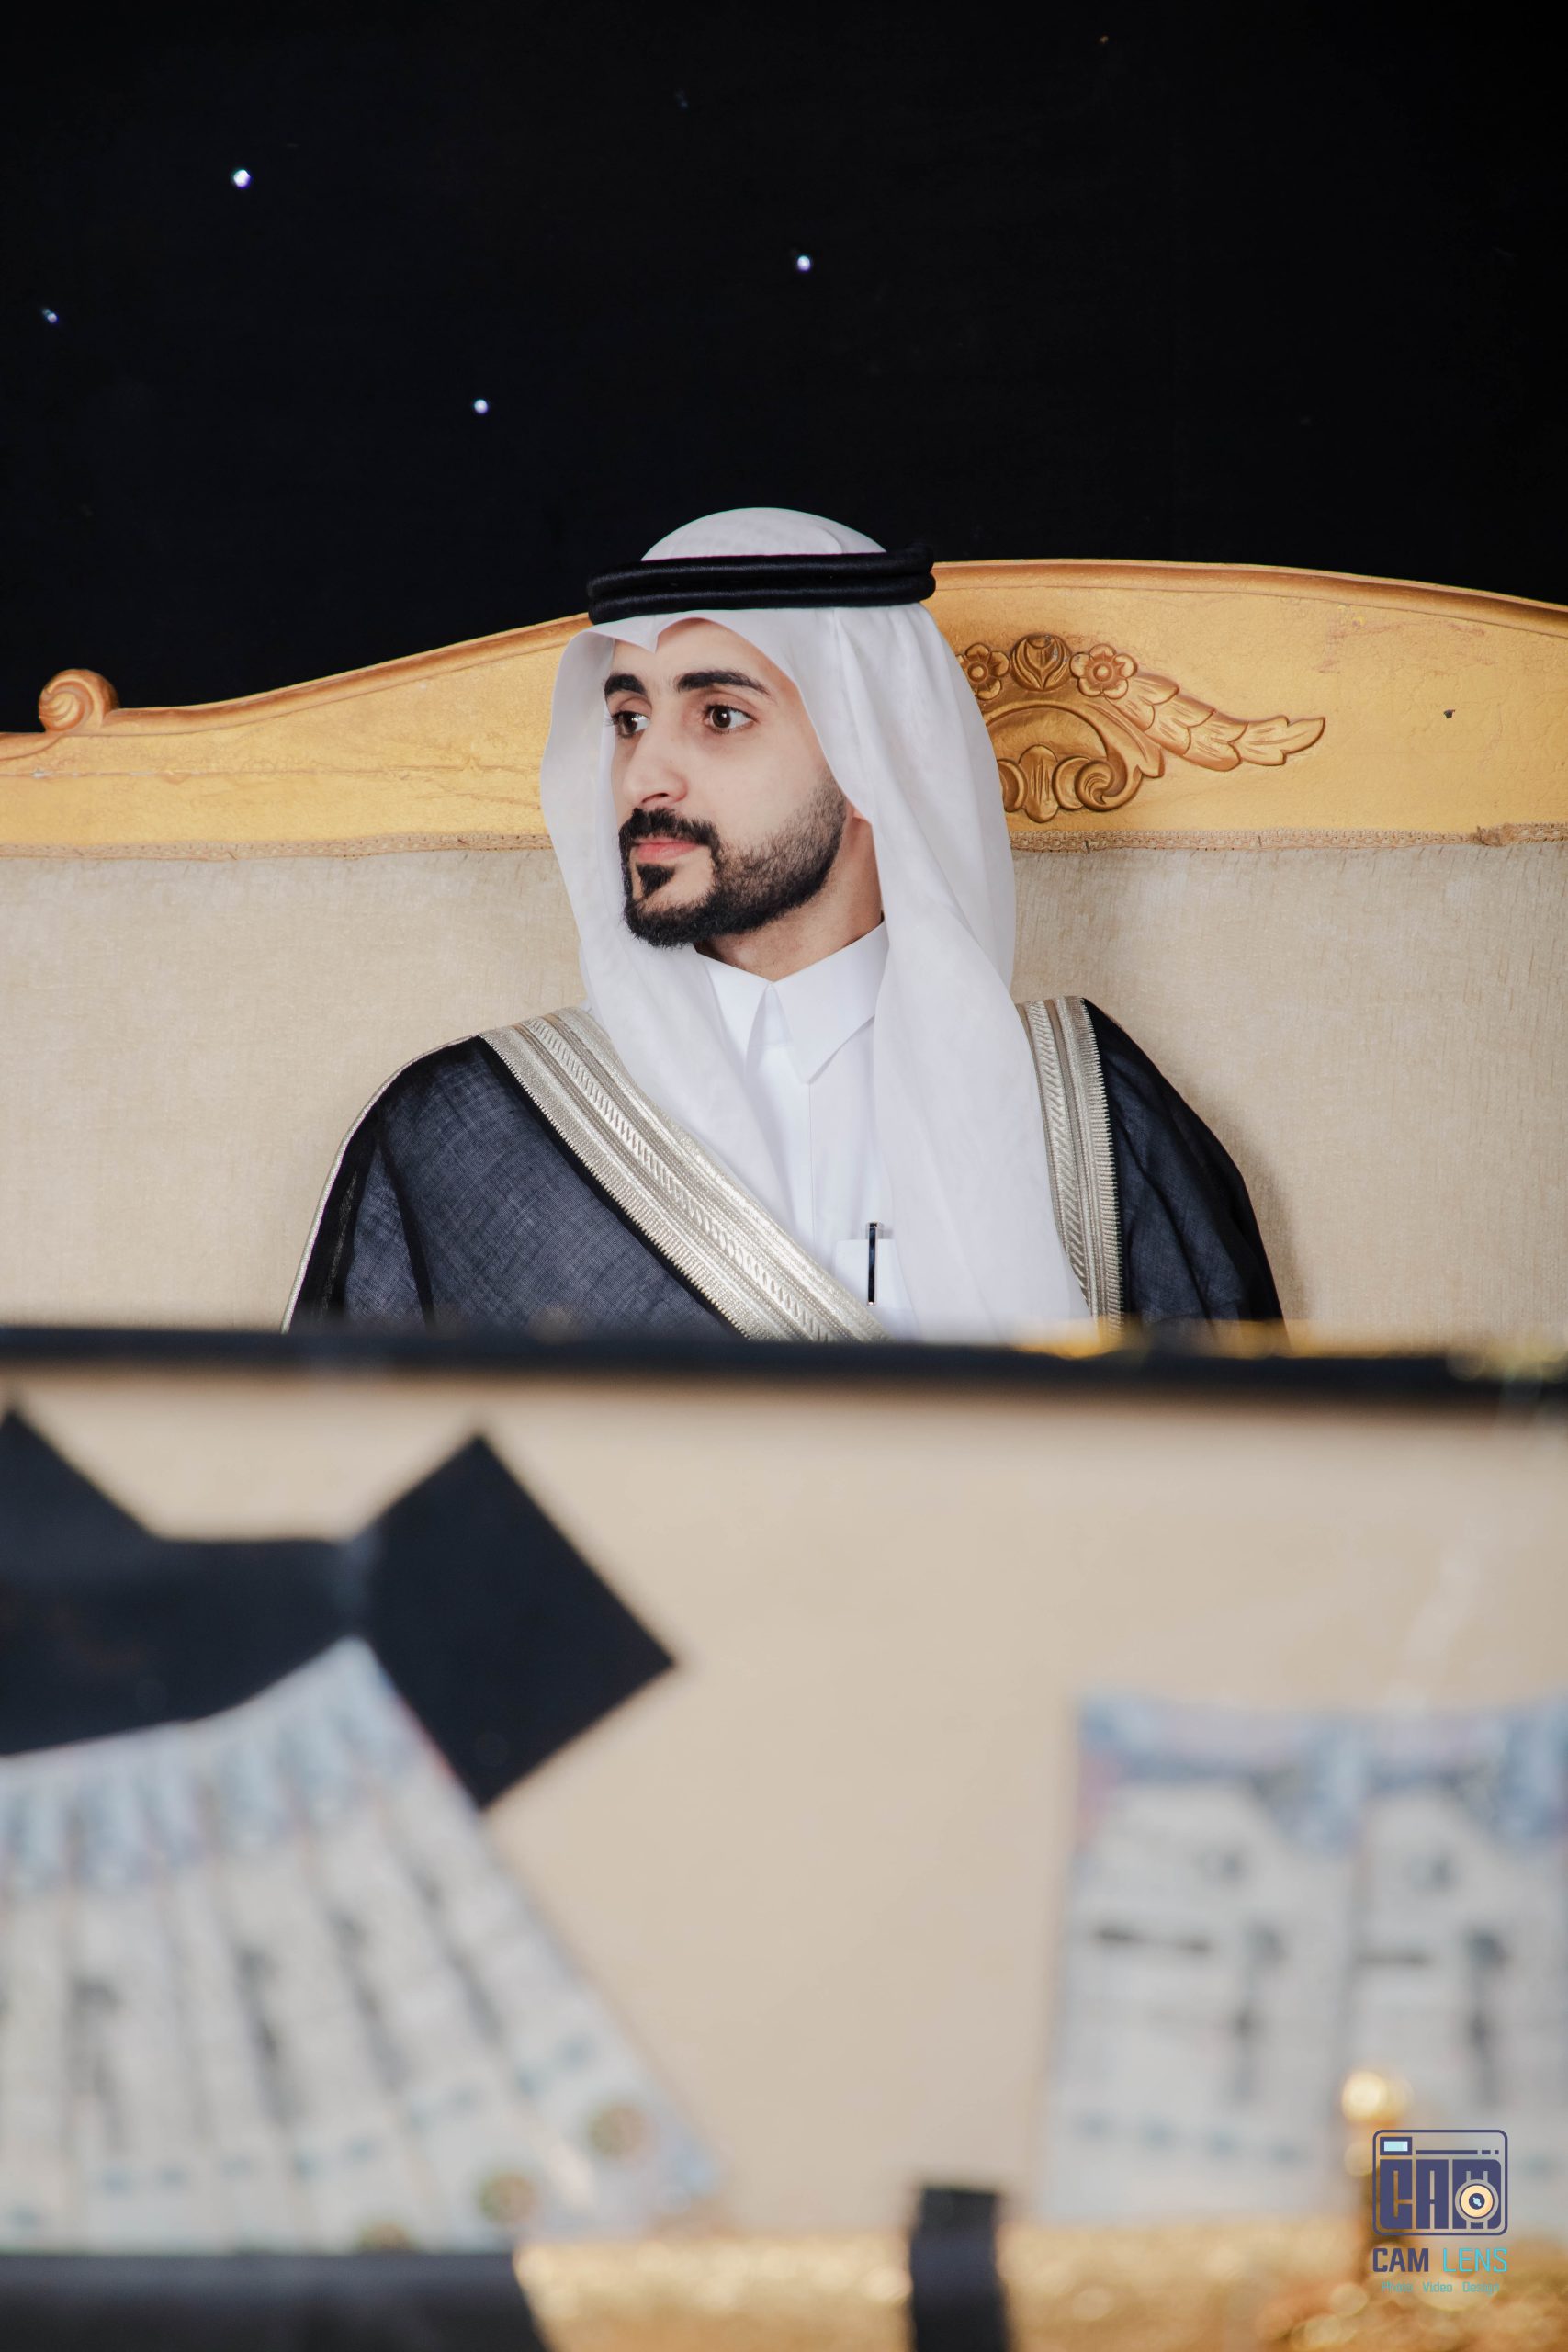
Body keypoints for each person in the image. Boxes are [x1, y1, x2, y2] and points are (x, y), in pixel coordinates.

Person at [288, 510, 1280, 1343]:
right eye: (629, 720)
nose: (644, 776)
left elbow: (1239, 1479)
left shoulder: (1087, 1110)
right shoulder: (473, 1136)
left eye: (719, 716)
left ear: (872, 756)